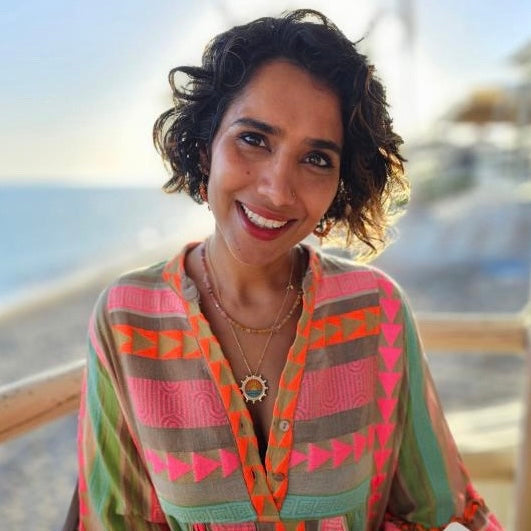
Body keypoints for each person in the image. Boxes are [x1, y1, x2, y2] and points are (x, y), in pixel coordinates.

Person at [76, 9, 502, 530]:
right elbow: (115, 518)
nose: (278, 190)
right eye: (254, 139)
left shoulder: (375, 311)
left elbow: (435, 511)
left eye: (316, 159)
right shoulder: (127, 318)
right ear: (206, 147)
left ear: (341, 182)